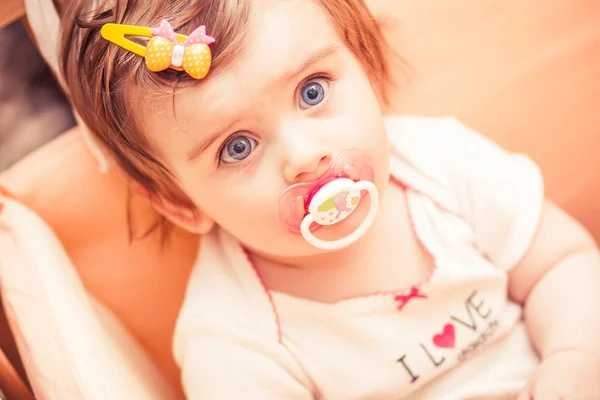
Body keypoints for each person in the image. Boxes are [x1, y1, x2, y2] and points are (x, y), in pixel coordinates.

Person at [59, 0, 600, 398]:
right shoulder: (235, 345)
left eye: (312, 90)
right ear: (181, 204)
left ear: (362, 60)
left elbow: (562, 263)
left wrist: (574, 357)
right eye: (238, 147)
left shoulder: (440, 163)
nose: (305, 155)